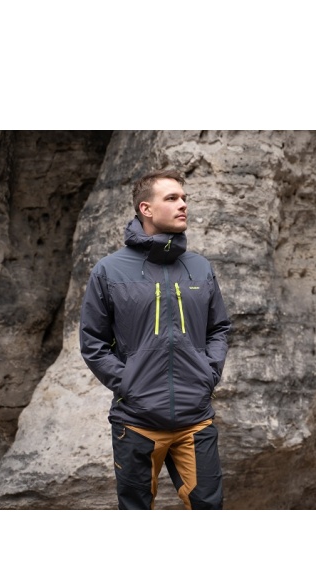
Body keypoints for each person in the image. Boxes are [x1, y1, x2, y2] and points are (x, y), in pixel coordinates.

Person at [79, 169, 231, 510]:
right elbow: (93, 342)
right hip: (137, 421)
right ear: (145, 209)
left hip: (195, 419)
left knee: (209, 509)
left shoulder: (200, 268)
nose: (183, 205)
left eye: (184, 198)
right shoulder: (109, 271)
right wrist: (129, 384)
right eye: (172, 198)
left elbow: (219, 328)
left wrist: (208, 374)